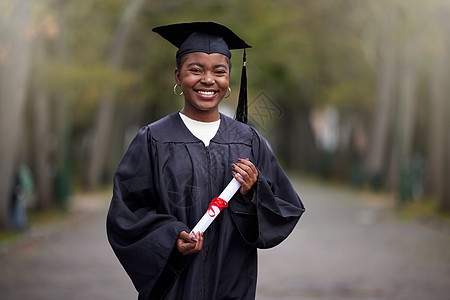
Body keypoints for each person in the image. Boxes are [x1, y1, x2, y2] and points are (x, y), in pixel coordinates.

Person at [106, 21, 305, 300]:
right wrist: (171, 236)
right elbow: (127, 212)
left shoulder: (247, 140)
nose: (208, 80)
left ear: (229, 79)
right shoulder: (153, 139)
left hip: (232, 280)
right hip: (175, 284)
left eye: (219, 72)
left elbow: (285, 207)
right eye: (195, 70)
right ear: (178, 76)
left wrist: (253, 191)